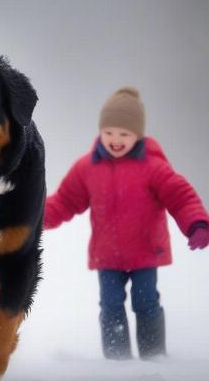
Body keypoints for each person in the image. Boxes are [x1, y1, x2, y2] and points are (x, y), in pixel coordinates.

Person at [44, 87, 209, 360]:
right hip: (107, 256)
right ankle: (117, 360)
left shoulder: (153, 167)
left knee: (146, 304)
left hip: (146, 253)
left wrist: (197, 224)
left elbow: (181, 197)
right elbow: (64, 201)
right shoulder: (87, 167)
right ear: (101, 132)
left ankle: (153, 356)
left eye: (124, 134)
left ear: (138, 135)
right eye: (109, 133)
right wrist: (33, 220)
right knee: (110, 306)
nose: (116, 140)